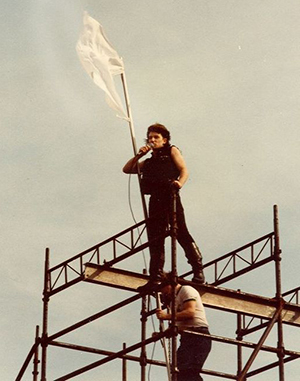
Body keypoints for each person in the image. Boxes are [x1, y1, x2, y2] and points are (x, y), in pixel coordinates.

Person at [123, 123, 205, 291]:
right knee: (155, 238)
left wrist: (179, 184)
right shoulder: (148, 162)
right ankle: (155, 277)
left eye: (156, 137)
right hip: (155, 199)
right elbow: (127, 169)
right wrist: (139, 155)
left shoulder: (171, 151)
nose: (152, 140)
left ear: (164, 139)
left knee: (180, 231)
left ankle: (198, 271)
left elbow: (184, 170)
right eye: (150, 137)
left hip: (170, 195)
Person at [156, 272, 211, 381]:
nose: (164, 294)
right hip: (187, 337)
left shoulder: (186, 290)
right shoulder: (174, 302)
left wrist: (166, 316)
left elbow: (190, 312)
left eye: (164, 291)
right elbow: (179, 326)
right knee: (179, 371)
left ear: (168, 285)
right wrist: (162, 334)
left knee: (189, 371)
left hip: (198, 335)